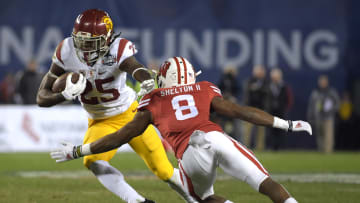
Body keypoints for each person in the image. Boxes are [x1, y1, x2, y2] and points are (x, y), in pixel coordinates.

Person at [51, 57, 312, 203]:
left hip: (189, 153)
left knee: (203, 198)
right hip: (215, 138)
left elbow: (120, 137)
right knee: (265, 182)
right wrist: (286, 124)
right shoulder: (204, 88)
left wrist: (78, 151)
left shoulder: (153, 100)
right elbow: (241, 112)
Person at [37, 9, 194, 203]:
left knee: (164, 171)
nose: (84, 48)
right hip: (99, 122)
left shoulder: (118, 48)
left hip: (131, 115)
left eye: (90, 42)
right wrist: (63, 95)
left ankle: (197, 200)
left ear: (107, 39)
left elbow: (134, 67)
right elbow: (41, 98)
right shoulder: (65, 50)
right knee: (92, 161)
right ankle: (137, 201)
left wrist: (145, 79)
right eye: (81, 41)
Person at [307, 75, 340, 153]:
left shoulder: (331, 92)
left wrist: (331, 110)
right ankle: (321, 151)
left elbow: (337, 103)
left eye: (324, 82)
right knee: (320, 135)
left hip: (328, 117)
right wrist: (310, 117)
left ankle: (328, 152)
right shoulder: (315, 93)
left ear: (327, 82)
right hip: (318, 117)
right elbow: (311, 106)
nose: (322, 83)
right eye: (321, 82)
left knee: (329, 136)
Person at [242, 65, 269, 150]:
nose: (259, 73)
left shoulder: (266, 82)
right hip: (251, 108)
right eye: (258, 71)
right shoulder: (250, 81)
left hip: (261, 109)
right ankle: (245, 147)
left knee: (261, 131)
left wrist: (257, 89)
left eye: (261, 71)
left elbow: (267, 94)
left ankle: (260, 148)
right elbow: (247, 94)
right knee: (247, 130)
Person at [267, 68, 293, 150]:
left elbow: (289, 99)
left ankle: (281, 147)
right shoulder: (269, 86)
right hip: (271, 111)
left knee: (281, 129)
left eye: (276, 76)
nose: (275, 78)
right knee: (271, 130)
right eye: (274, 77)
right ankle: (272, 147)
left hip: (281, 111)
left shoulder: (284, 87)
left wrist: (286, 108)